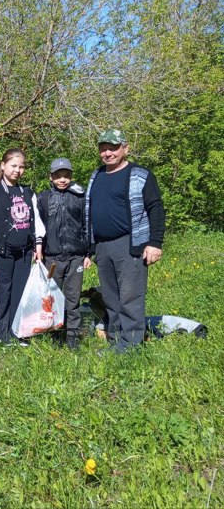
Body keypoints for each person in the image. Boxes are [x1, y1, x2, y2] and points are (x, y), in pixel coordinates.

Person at [86, 129, 165, 353]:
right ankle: (116, 340)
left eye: (113, 148)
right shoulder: (97, 175)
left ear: (125, 148)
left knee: (130, 296)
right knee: (110, 297)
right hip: (103, 245)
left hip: (129, 244)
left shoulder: (140, 174)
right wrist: (90, 247)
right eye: (103, 148)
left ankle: (130, 346)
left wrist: (155, 243)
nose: (107, 153)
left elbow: (156, 208)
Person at [0, 148, 44, 345]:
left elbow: (35, 220)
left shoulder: (27, 192)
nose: (17, 170)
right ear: (3, 166)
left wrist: (38, 244)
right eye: (13, 166)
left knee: (20, 292)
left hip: (25, 251)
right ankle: (2, 335)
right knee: (4, 292)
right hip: (3, 251)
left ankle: (17, 332)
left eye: (21, 167)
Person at [37, 158, 91, 350]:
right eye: (58, 176)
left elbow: (87, 225)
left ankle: (72, 336)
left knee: (73, 298)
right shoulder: (43, 198)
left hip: (76, 256)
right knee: (52, 298)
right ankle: (54, 333)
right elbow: (38, 228)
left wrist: (88, 254)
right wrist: (39, 253)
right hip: (51, 257)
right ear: (50, 177)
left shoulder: (80, 196)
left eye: (66, 176)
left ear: (71, 176)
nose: (62, 180)